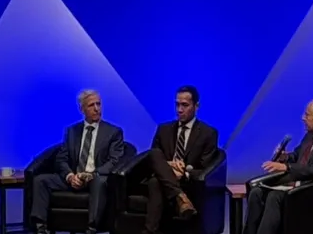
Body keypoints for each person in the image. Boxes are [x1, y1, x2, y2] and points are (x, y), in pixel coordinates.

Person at [31, 90, 126, 234]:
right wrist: (70, 176)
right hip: (74, 178)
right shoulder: (72, 131)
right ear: (82, 109)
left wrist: (92, 174)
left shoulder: (113, 132)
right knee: (41, 180)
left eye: (98, 104)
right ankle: (40, 229)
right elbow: (61, 159)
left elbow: (114, 161)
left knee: (99, 182)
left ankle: (91, 229)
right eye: (91, 105)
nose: (96, 109)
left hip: (96, 179)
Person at [244, 99, 313, 234]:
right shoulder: (310, 135)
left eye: (307, 115)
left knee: (274, 196)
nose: (303, 118)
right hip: (297, 184)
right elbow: (297, 155)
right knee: (256, 192)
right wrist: (285, 158)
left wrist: (288, 168)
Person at [142, 86, 219, 234]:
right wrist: (169, 166)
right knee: (155, 155)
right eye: (177, 104)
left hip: (188, 182)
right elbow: (153, 158)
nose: (179, 110)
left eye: (184, 105)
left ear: (196, 106)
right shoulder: (163, 129)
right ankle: (180, 198)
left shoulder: (208, 133)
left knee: (155, 183)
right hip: (165, 177)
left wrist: (184, 172)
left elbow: (205, 167)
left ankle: (149, 231)